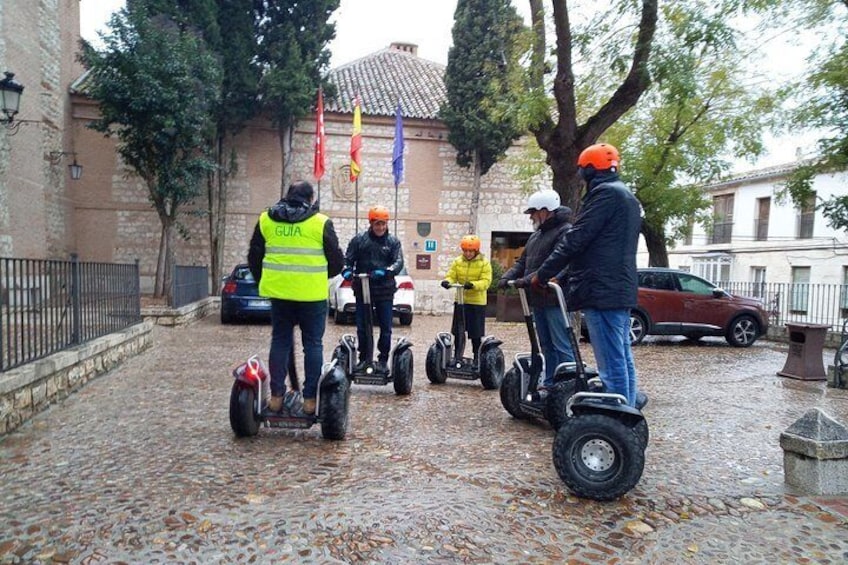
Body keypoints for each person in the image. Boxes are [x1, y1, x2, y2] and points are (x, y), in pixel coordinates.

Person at [531, 143, 641, 406]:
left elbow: (577, 240)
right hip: (619, 287)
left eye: (582, 170)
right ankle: (628, 404)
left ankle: (615, 413)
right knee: (622, 353)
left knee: (610, 357)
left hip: (602, 289)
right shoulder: (626, 196)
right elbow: (600, 246)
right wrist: (565, 277)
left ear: (590, 169)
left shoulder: (604, 195)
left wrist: (543, 274)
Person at [247, 180, 344, 415]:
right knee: (313, 344)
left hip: (279, 293)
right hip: (311, 294)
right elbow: (337, 262)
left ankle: (277, 397)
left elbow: (254, 257)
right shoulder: (321, 223)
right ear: (310, 199)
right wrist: (320, 275)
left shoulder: (266, 220)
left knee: (280, 341)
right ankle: (310, 399)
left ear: (287, 196)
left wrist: (267, 280)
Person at [497, 190, 575, 391]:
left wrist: (527, 279)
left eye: (533, 212)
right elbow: (522, 262)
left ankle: (567, 387)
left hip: (555, 298)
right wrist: (507, 277)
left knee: (561, 345)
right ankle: (550, 384)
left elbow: (563, 264)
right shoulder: (536, 236)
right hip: (538, 298)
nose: (531, 216)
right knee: (546, 345)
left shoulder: (565, 231)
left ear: (545, 211)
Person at [341, 206, 404, 374]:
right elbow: (348, 259)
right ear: (371, 223)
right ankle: (364, 359)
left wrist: (387, 271)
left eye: (383, 224)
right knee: (363, 326)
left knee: (385, 326)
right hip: (363, 288)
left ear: (386, 224)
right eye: (377, 224)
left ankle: (383, 360)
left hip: (384, 289)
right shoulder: (359, 240)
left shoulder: (393, 242)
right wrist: (347, 270)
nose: (380, 228)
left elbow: (398, 262)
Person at [441, 234, 493, 367]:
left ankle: (477, 357)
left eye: (471, 251)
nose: (468, 253)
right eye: (466, 251)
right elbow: (452, 275)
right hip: (461, 301)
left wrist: (474, 285)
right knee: (458, 331)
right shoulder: (458, 261)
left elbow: (486, 282)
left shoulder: (484, 263)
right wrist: (448, 282)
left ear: (476, 251)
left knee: (475, 333)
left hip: (476, 303)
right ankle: (457, 357)